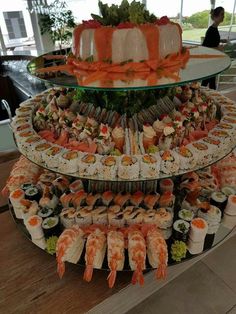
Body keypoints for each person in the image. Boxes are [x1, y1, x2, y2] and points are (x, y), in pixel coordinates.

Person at [201, 6, 225, 90]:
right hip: (209, 61)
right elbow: (205, 48)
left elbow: (213, 41)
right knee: (207, 83)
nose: (223, 16)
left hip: (212, 61)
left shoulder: (214, 29)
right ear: (215, 16)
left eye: (223, 14)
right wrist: (219, 49)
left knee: (210, 83)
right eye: (221, 14)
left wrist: (222, 40)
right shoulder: (211, 30)